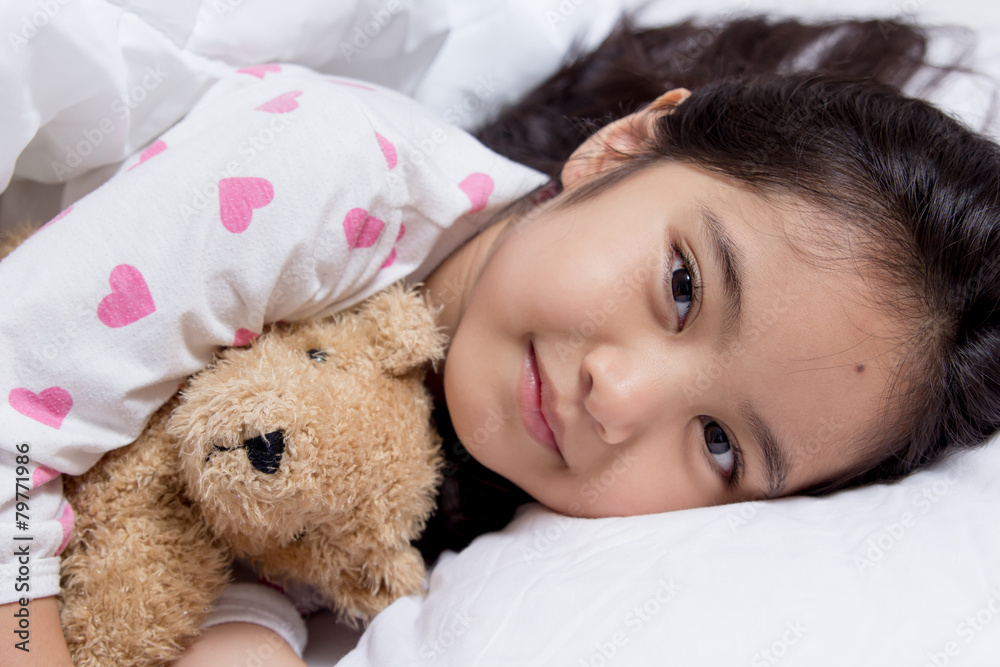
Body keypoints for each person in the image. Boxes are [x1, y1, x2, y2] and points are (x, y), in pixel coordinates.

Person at [2, 14, 999, 667]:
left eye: (721, 444)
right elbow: (13, 422)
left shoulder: (489, 488)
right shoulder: (323, 172)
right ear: (621, 148)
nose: (620, 395)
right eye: (684, 286)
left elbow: (270, 540)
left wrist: (250, 629)